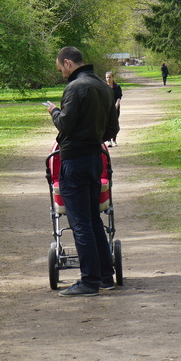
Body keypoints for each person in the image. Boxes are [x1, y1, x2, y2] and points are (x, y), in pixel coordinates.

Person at [45, 47, 118, 296]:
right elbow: (112, 129)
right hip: (94, 160)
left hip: (74, 161)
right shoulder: (102, 87)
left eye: (61, 69)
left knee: (80, 224)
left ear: (67, 63)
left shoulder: (75, 88)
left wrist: (54, 111)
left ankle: (88, 281)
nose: (62, 74)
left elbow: (64, 124)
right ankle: (106, 277)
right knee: (94, 220)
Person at [104, 71, 122, 146]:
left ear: (113, 77)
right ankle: (108, 140)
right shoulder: (104, 87)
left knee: (114, 123)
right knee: (107, 124)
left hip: (115, 108)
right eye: (107, 77)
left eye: (110, 77)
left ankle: (114, 140)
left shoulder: (117, 87)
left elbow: (119, 98)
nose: (108, 79)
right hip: (106, 109)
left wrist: (116, 105)